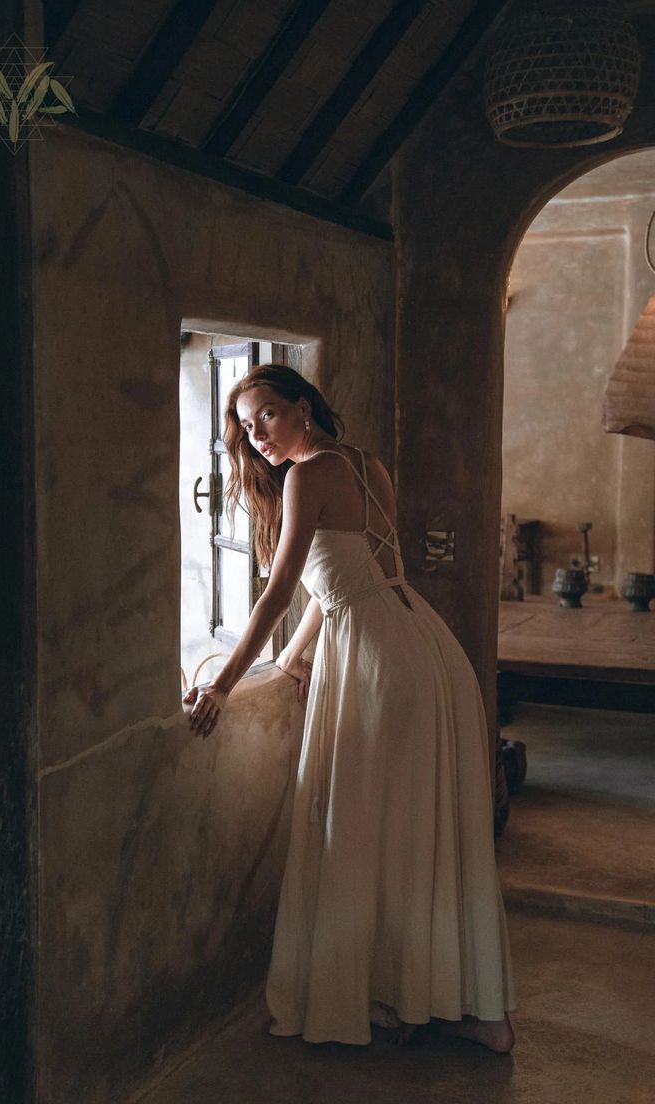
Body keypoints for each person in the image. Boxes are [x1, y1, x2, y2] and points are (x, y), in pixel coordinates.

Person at [182, 364, 516, 1052]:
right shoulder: (365, 462)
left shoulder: (308, 475)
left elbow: (281, 592)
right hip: (424, 646)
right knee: (426, 826)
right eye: (246, 426)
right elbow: (341, 580)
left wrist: (221, 685)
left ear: (305, 408)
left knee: (363, 824)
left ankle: (385, 992)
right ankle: (474, 1009)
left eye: (268, 414)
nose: (257, 435)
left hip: (379, 659)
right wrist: (296, 656)